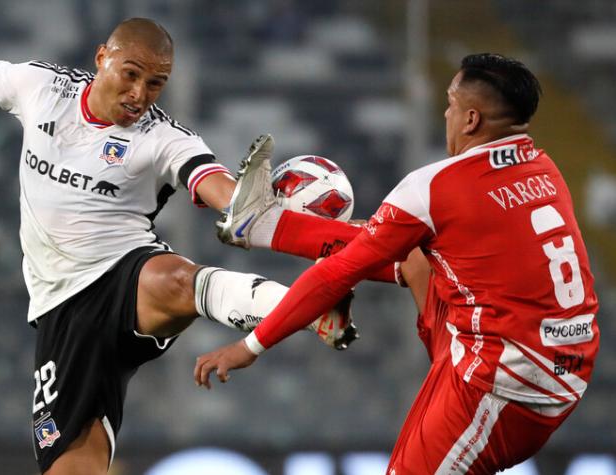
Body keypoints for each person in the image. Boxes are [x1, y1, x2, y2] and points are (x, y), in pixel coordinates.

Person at [0, 17, 359, 475]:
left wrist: (239, 201)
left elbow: (208, 181)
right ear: (101, 57)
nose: (139, 92)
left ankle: (312, 308)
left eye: (155, 83)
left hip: (124, 274)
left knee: (176, 280)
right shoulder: (40, 88)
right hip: (60, 309)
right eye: (130, 73)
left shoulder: (162, 139)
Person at [196, 53, 600, 474]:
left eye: (451, 103)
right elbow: (392, 249)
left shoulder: (435, 187)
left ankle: (266, 227)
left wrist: (249, 346)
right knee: (408, 248)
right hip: (562, 363)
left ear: (471, 120)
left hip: (506, 384)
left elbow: (336, 272)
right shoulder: (544, 168)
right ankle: (263, 225)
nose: (445, 112)